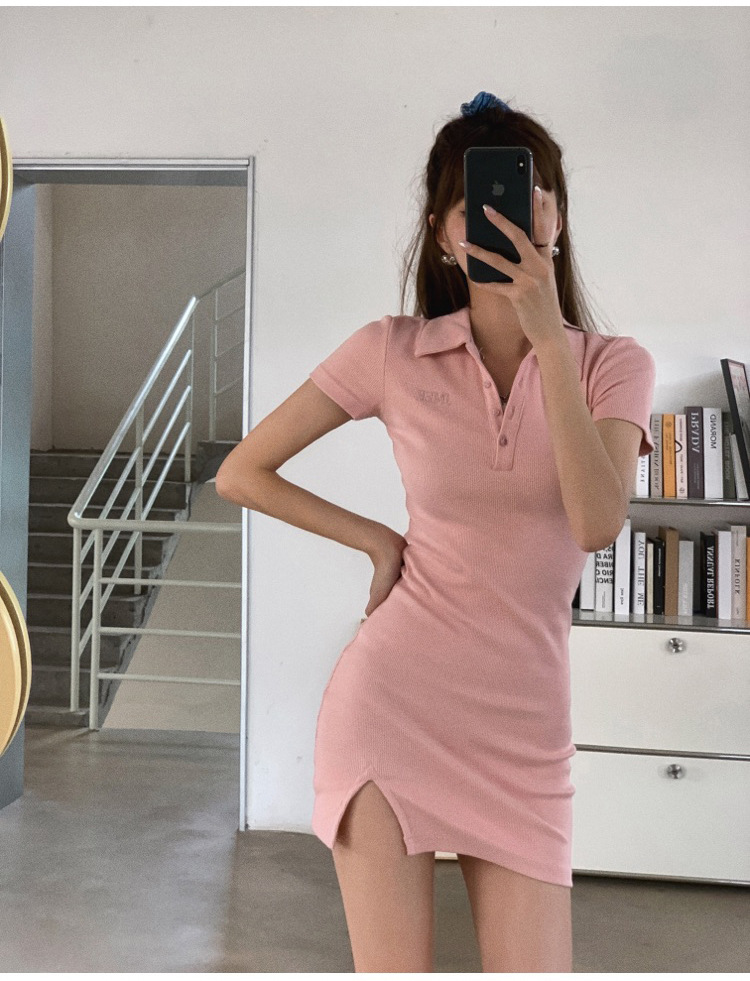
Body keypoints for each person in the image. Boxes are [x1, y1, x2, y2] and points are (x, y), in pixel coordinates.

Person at [215, 91, 656, 972]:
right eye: (476, 205)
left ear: (558, 218)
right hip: (392, 709)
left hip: (526, 733)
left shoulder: (614, 366)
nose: (508, 220)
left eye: (530, 198)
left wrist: (549, 344)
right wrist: (378, 540)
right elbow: (241, 471)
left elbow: (597, 521)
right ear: (444, 233)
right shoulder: (390, 350)